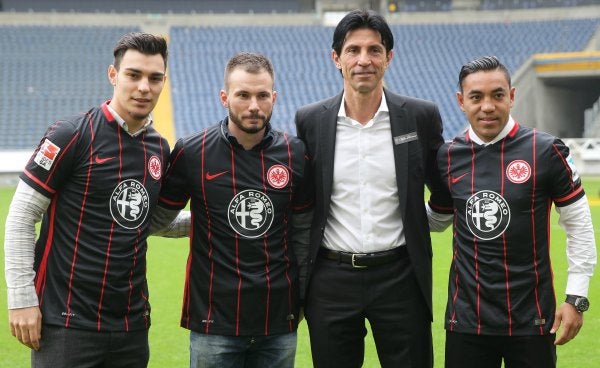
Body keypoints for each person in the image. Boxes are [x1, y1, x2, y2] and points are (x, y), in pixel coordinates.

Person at [294, 9, 453, 368]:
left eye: (374, 50)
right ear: (336, 58)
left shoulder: (419, 116)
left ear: (388, 57)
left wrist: (420, 221)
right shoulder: (310, 120)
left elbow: (442, 191)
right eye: (353, 50)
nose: (363, 60)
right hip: (331, 278)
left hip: (400, 276)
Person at [5, 32, 171, 367]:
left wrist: (211, 220)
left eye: (154, 78)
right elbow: (22, 215)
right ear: (113, 75)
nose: (144, 87)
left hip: (130, 326)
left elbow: (143, 220)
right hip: (67, 323)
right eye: (133, 74)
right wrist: (21, 298)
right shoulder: (72, 134)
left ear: (163, 82)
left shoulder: (159, 148)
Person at [436, 55, 597, 368]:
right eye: (476, 97)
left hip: (532, 319)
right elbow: (437, 219)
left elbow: (578, 223)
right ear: (460, 101)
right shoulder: (448, 155)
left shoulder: (545, 150)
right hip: (466, 320)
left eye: (497, 95)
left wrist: (576, 296)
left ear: (511, 95)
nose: (487, 106)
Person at [154, 52, 312, 368]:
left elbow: (304, 233)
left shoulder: (295, 154)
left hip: (278, 320)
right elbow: (158, 220)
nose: (253, 105)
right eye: (243, 95)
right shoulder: (192, 152)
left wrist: (304, 297)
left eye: (262, 95)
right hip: (215, 323)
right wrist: (199, 222)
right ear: (225, 97)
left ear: (274, 97)